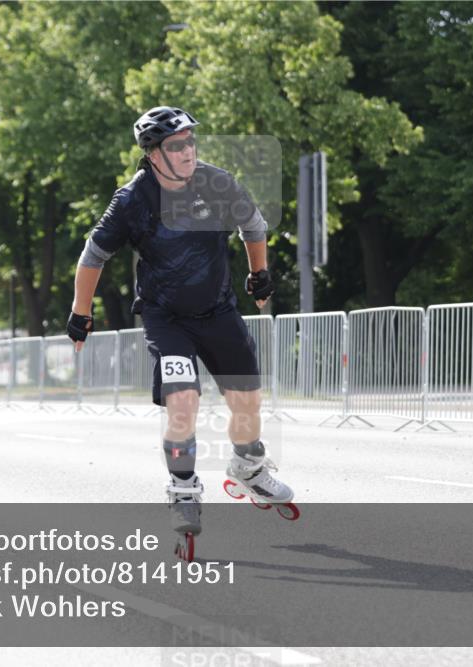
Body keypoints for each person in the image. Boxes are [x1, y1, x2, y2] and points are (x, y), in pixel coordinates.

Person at [66, 106, 294, 556]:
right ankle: (183, 486)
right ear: (152, 154)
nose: (188, 151)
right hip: (165, 317)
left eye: (191, 141)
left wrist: (259, 275)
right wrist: (80, 312)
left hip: (219, 310)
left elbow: (253, 224)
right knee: (183, 398)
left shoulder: (217, 182)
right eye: (176, 145)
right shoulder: (132, 200)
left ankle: (248, 467)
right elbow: (93, 256)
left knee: (246, 401)